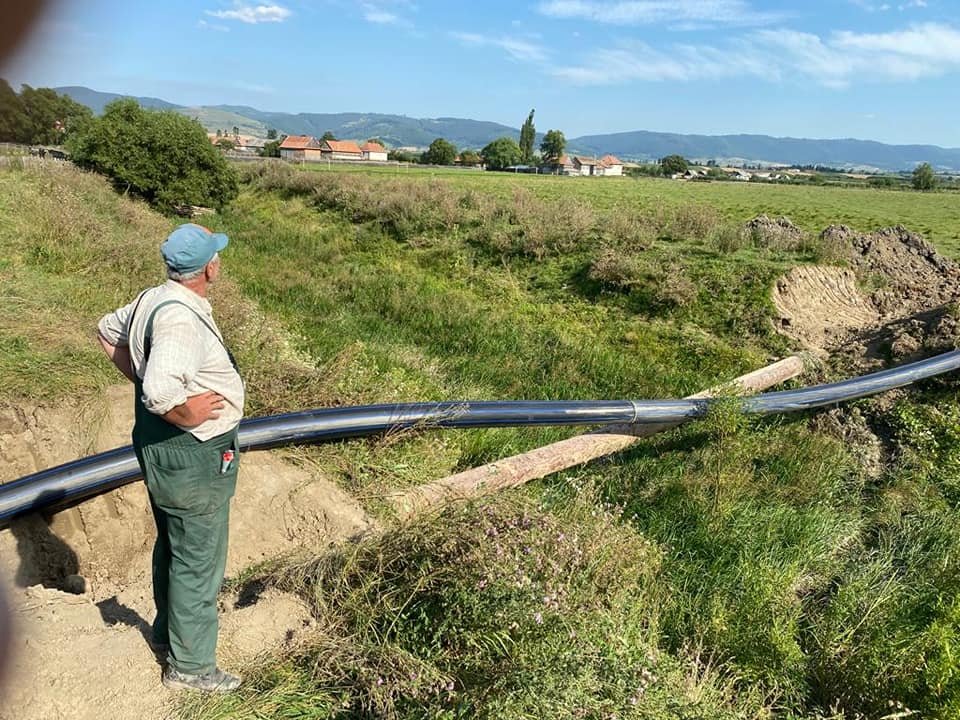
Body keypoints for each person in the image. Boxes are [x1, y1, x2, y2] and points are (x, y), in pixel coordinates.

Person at [96, 223, 245, 693]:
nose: (219, 262)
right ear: (208, 268)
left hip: (161, 447)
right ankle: (192, 668)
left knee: (175, 544)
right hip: (194, 453)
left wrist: (145, 386)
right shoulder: (180, 319)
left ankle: (167, 635)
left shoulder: (152, 298)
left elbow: (106, 332)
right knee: (199, 558)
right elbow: (162, 392)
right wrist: (185, 412)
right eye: (216, 256)